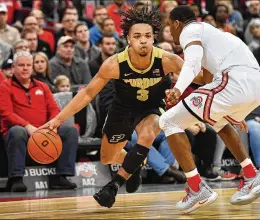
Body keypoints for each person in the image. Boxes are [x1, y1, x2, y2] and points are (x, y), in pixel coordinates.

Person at [39, 6, 204, 208]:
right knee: (108, 157)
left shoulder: (167, 60)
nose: (143, 40)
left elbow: (200, 77)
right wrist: (57, 120)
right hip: (123, 109)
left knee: (149, 132)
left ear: (153, 38)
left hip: (151, 107)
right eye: (137, 36)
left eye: (147, 35)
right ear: (128, 39)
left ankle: (113, 186)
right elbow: (88, 93)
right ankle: (133, 167)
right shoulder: (114, 64)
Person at [159, 6, 260, 214]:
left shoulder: (190, 30)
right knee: (219, 121)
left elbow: (193, 63)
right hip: (253, 85)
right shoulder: (213, 35)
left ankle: (197, 188)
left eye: (170, 26)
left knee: (168, 121)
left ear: (177, 23)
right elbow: (206, 80)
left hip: (234, 81)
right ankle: (251, 174)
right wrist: (230, 109)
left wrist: (178, 89)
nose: (171, 31)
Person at [0, 51, 79, 192]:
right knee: (17, 131)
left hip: (44, 131)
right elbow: (6, 113)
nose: (25, 68)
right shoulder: (4, 87)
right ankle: (16, 178)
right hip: (19, 132)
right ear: (14, 67)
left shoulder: (42, 86)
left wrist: (51, 125)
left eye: (28, 65)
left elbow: (54, 109)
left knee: (70, 130)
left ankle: (62, 176)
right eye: (21, 65)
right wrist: (27, 126)